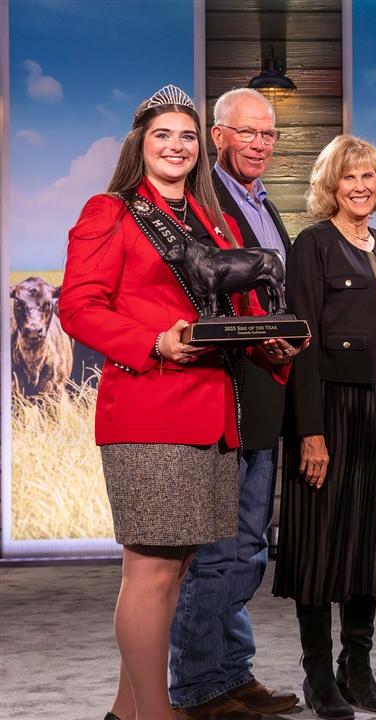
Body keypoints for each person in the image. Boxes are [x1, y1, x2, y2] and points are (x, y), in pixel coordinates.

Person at [57, 84, 296, 720]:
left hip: (214, 412)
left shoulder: (210, 220)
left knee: (176, 568)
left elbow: (237, 310)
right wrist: (153, 340)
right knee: (151, 572)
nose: (177, 146)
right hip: (148, 410)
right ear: (141, 143)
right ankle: (157, 715)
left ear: (200, 147)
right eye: (163, 134)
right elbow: (78, 307)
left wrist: (270, 347)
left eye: (187, 136)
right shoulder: (110, 211)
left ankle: (126, 712)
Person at [167, 87, 298, 719]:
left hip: (263, 390)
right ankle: (196, 686)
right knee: (218, 549)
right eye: (247, 133)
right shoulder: (201, 205)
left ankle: (229, 671)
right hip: (221, 392)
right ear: (217, 136)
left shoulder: (269, 209)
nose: (258, 145)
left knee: (248, 544)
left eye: (268, 135)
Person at [273, 135, 376, 719]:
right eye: (349, 178)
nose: (360, 187)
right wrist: (309, 430)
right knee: (320, 542)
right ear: (330, 185)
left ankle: (357, 669)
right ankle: (317, 675)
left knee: (367, 538)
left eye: (369, 178)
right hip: (326, 405)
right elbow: (300, 343)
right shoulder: (312, 244)